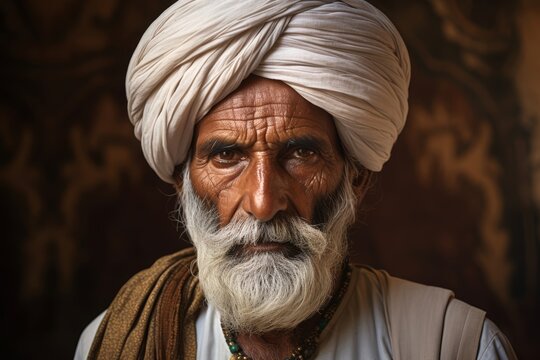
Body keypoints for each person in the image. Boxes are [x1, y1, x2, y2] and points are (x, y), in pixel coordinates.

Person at [75, 1, 517, 359]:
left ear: (355, 177)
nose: (264, 202)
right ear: (183, 181)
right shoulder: (116, 340)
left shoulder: (456, 346)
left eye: (301, 154)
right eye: (227, 156)